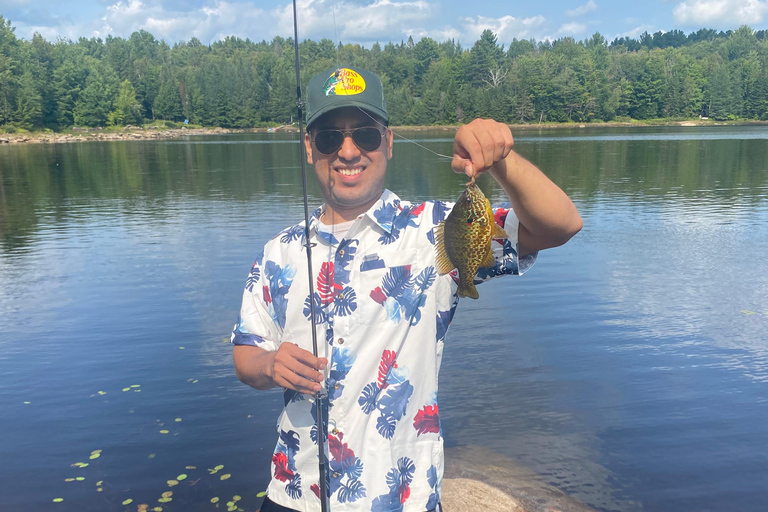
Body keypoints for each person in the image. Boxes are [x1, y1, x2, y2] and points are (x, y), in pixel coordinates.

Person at [231, 66, 582, 512]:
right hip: (295, 492)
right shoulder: (278, 253)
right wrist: (269, 364)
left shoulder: (436, 229)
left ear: (389, 141)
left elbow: (560, 226)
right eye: (328, 138)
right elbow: (246, 355)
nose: (348, 150)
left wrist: (501, 162)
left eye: (365, 134)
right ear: (308, 147)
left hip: (401, 497)